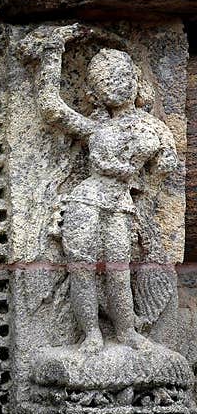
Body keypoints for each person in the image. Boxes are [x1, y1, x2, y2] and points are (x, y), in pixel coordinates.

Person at [19, 25, 179, 353]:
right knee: (83, 270)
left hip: (122, 204)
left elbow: (164, 167)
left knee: (119, 271)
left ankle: (126, 331)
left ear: (135, 79)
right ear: (96, 93)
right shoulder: (97, 127)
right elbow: (52, 109)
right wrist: (53, 52)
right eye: (105, 81)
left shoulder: (154, 126)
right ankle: (90, 333)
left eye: (121, 75)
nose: (115, 85)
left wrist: (161, 160)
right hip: (85, 201)